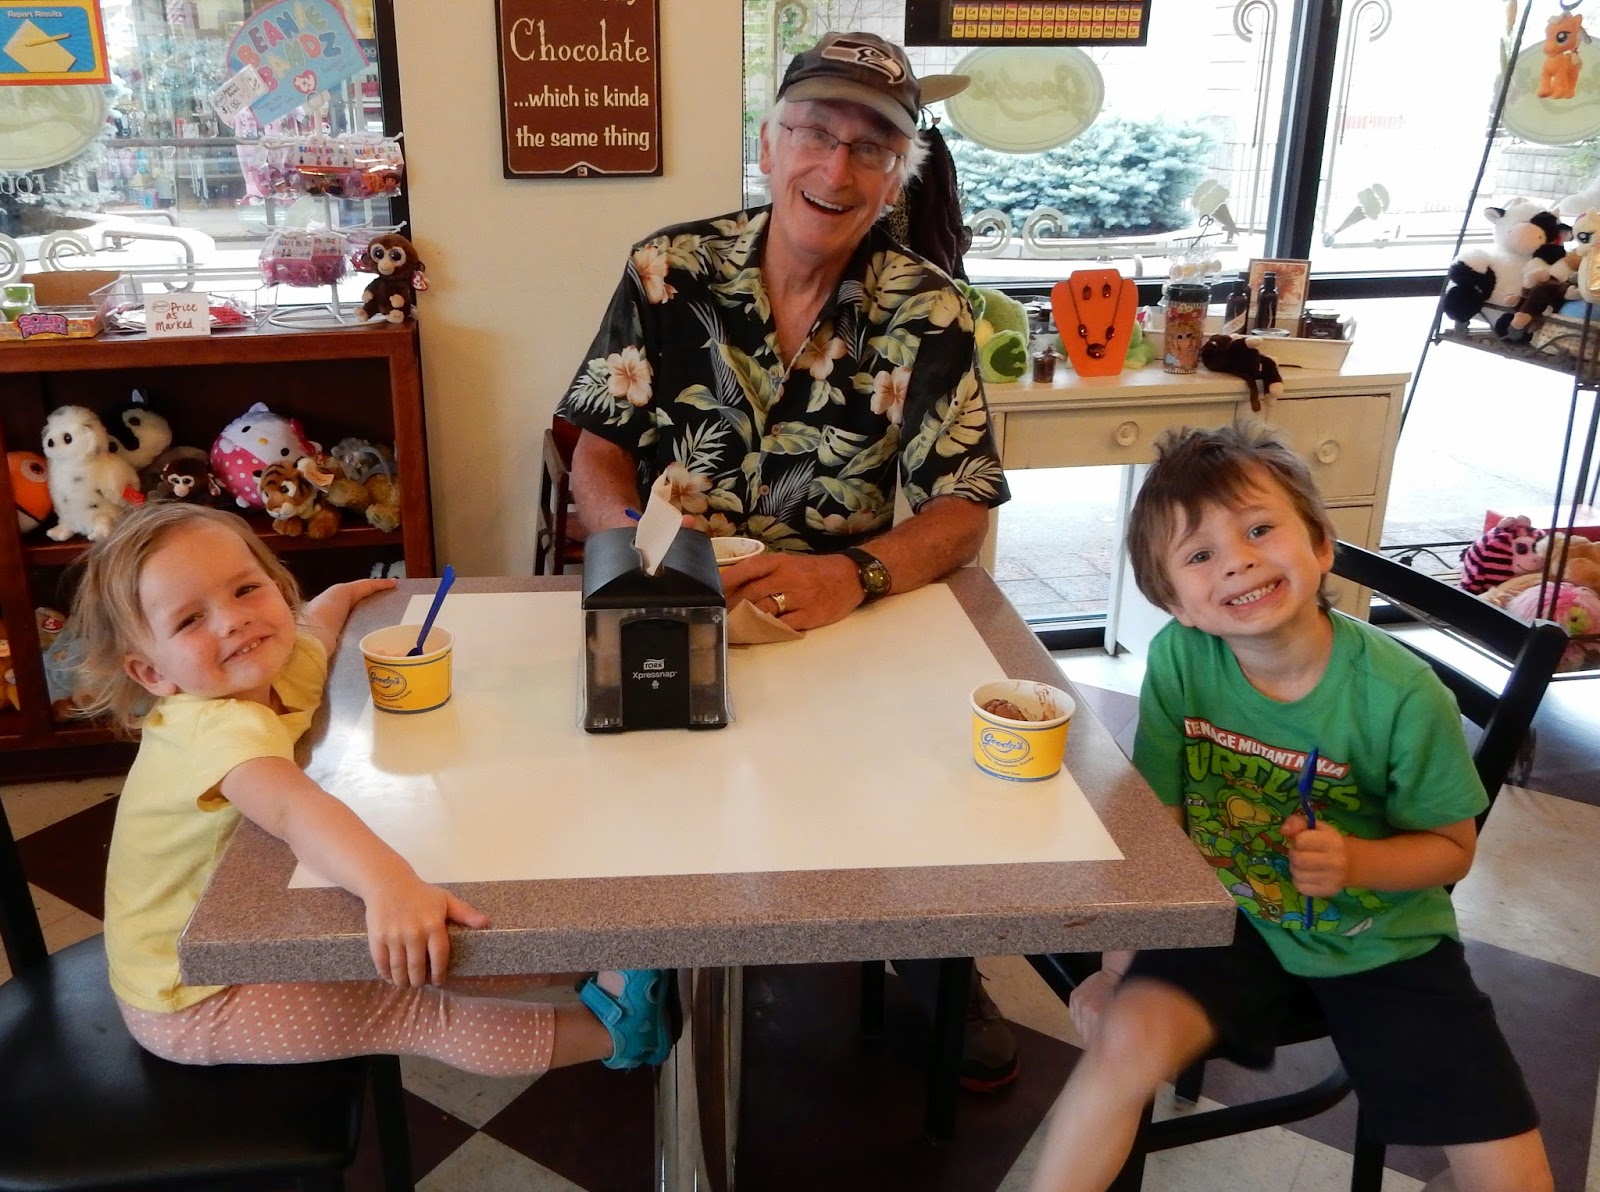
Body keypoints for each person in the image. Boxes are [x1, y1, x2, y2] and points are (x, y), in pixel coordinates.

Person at [555, 29, 1018, 1088]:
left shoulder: (929, 308)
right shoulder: (667, 270)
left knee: (905, 788)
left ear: (897, 174)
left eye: (871, 148)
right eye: (814, 134)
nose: (836, 169)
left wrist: (851, 576)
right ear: (769, 144)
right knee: (636, 776)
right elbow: (597, 449)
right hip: (672, 594)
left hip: (835, 614)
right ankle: (649, 940)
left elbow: (962, 506)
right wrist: (640, 559)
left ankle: (927, 941)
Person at [1027, 422, 1553, 1192]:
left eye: (1259, 529)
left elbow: (1453, 848)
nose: (1236, 559)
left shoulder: (1403, 696)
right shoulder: (1181, 659)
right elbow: (1161, 824)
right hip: (1230, 916)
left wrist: (1357, 861)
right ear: (1175, 605)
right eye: (1199, 555)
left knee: (1507, 1162)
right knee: (1120, 1044)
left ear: (1321, 546)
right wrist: (1117, 967)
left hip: (1383, 942)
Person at [73, 502, 675, 1078]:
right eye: (189, 620)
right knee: (414, 1008)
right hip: (192, 994)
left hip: (236, 920)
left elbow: (316, 630)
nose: (233, 620)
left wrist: (343, 596)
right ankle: (619, 1035)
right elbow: (293, 809)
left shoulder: (279, 666)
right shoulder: (210, 727)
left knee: (431, 945)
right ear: (152, 673)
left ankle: (586, 962)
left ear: (279, 587)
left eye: (246, 589)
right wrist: (390, 885)